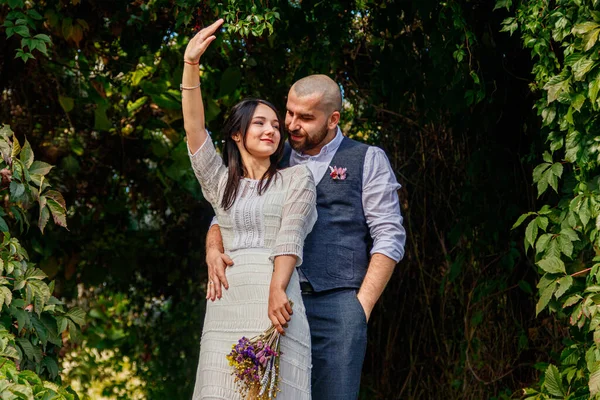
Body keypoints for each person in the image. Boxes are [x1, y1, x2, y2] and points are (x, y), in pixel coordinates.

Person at [206, 74, 406, 399]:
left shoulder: (367, 159)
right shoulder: (271, 156)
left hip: (337, 307)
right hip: (274, 303)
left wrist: (360, 307)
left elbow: (389, 237)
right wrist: (213, 249)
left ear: (333, 119)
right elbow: (226, 209)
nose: (291, 125)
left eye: (306, 117)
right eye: (289, 113)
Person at [183, 19, 317, 400]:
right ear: (237, 134)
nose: (271, 130)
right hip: (226, 300)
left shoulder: (297, 179)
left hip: (276, 298)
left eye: (275, 124)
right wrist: (190, 66)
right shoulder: (219, 181)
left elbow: (291, 236)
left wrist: (278, 289)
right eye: (260, 123)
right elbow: (195, 131)